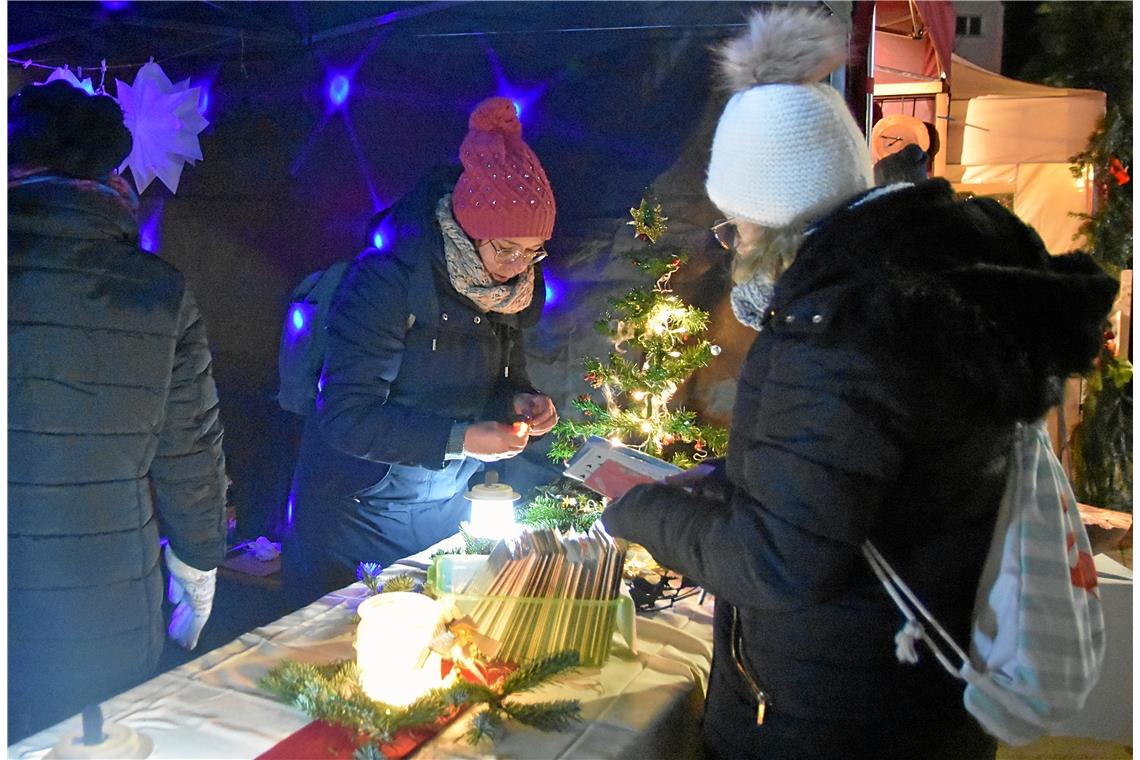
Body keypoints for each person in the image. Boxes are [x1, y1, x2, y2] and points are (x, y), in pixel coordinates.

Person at [601, 8, 1117, 760]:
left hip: (833, 714)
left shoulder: (839, 331)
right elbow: (857, 478)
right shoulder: (920, 281)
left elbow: (776, 563)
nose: (732, 248)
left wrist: (637, 508)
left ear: (775, 221)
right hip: (904, 696)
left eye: (735, 227)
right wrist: (726, 480)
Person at [8, 81, 227, 740]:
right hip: (103, 606)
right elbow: (191, 449)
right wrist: (199, 560)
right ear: (112, 176)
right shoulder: (157, 291)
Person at [285, 97, 558, 605]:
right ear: (467, 227)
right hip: (357, 517)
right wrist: (462, 438)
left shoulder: (509, 292)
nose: (520, 265)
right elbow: (345, 418)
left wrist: (521, 402)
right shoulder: (387, 282)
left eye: (533, 250)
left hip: (444, 509)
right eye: (506, 248)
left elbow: (506, 377)